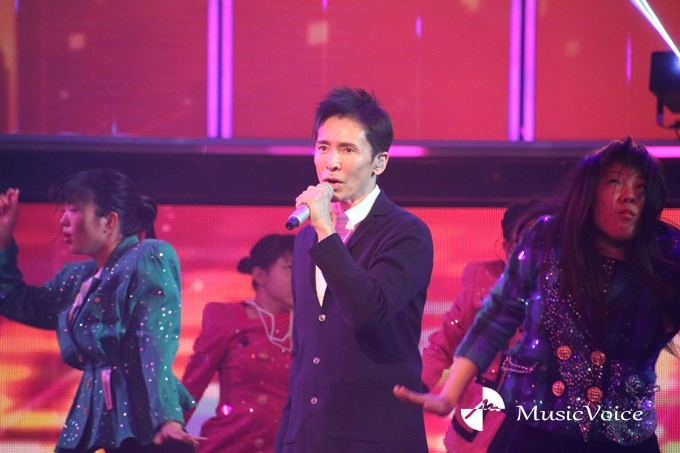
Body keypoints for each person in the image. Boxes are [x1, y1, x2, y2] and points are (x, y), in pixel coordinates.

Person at [395, 137, 680, 453]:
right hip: (541, 429)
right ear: (589, 191)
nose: (629, 196)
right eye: (615, 182)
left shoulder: (668, 254)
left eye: (641, 187)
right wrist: (449, 395)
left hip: (627, 435)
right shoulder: (547, 241)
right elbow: (496, 319)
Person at [273, 87, 434, 453]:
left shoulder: (406, 233)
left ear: (379, 162)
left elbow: (367, 311)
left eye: (347, 150)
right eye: (323, 147)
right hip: (308, 440)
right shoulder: (309, 237)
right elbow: (304, 353)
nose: (331, 162)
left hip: (375, 440)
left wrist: (325, 231)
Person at [0, 169, 202, 453]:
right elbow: (17, 302)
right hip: (94, 420)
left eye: (73, 210)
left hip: (144, 425)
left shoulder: (147, 256)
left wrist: (167, 417)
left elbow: (154, 342)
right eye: (63, 210)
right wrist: (3, 241)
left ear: (109, 221)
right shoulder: (75, 278)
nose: (63, 220)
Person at [421, 200, 540, 453]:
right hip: (481, 425)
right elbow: (446, 341)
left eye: (544, 243)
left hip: (540, 422)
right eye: (525, 242)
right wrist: (418, 387)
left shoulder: (571, 293)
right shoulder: (482, 279)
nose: (535, 253)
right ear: (508, 247)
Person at [182, 234, 295, 453]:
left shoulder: (311, 325)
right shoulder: (227, 319)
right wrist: (170, 432)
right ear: (260, 275)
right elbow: (192, 385)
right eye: (289, 268)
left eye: (305, 268)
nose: (300, 276)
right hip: (230, 444)